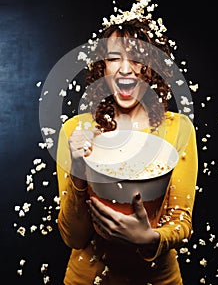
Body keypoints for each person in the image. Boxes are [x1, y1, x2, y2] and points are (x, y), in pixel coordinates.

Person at [56, 17, 198, 284]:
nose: (125, 69)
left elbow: (181, 221)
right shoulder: (76, 131)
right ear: (102, 67)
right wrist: (78, 169)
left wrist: (148, 238)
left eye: (137, 58)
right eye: (113, 58)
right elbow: (73, 237)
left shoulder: (178, 129)